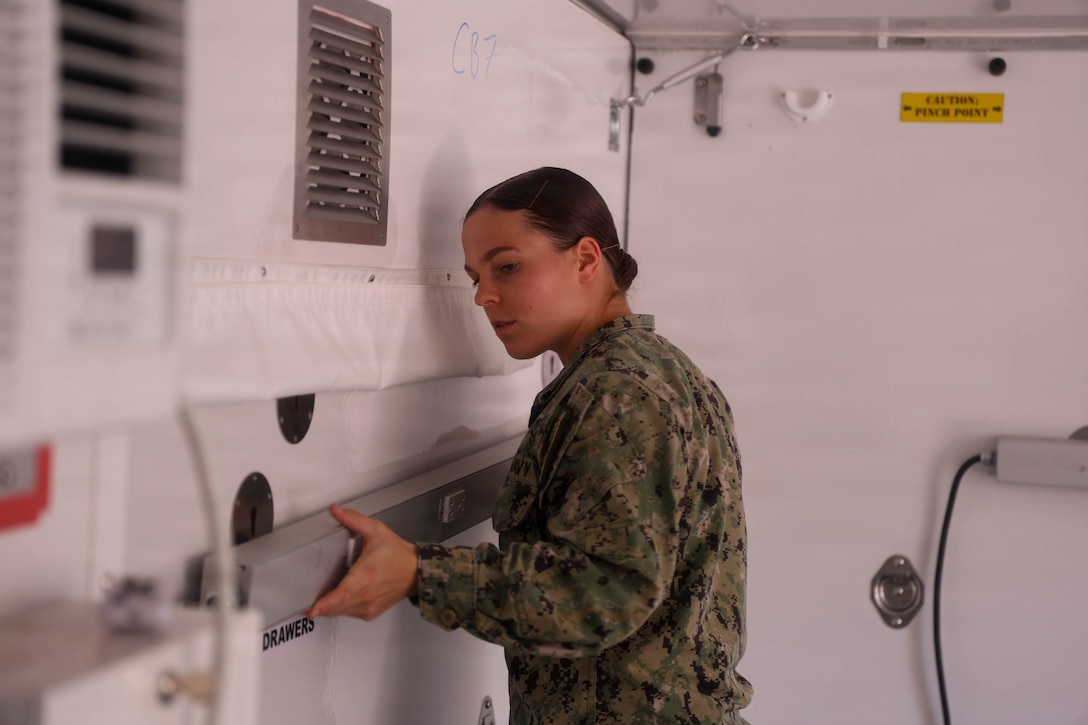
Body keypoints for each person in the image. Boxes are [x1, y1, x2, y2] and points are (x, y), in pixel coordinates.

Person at [307, 167, 752, 724]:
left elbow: (605, 593)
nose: (483, 296)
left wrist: (420, 574)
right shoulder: (659, 374)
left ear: (587, 259)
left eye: (508, 267)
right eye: (474, 277)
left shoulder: (616, 392)